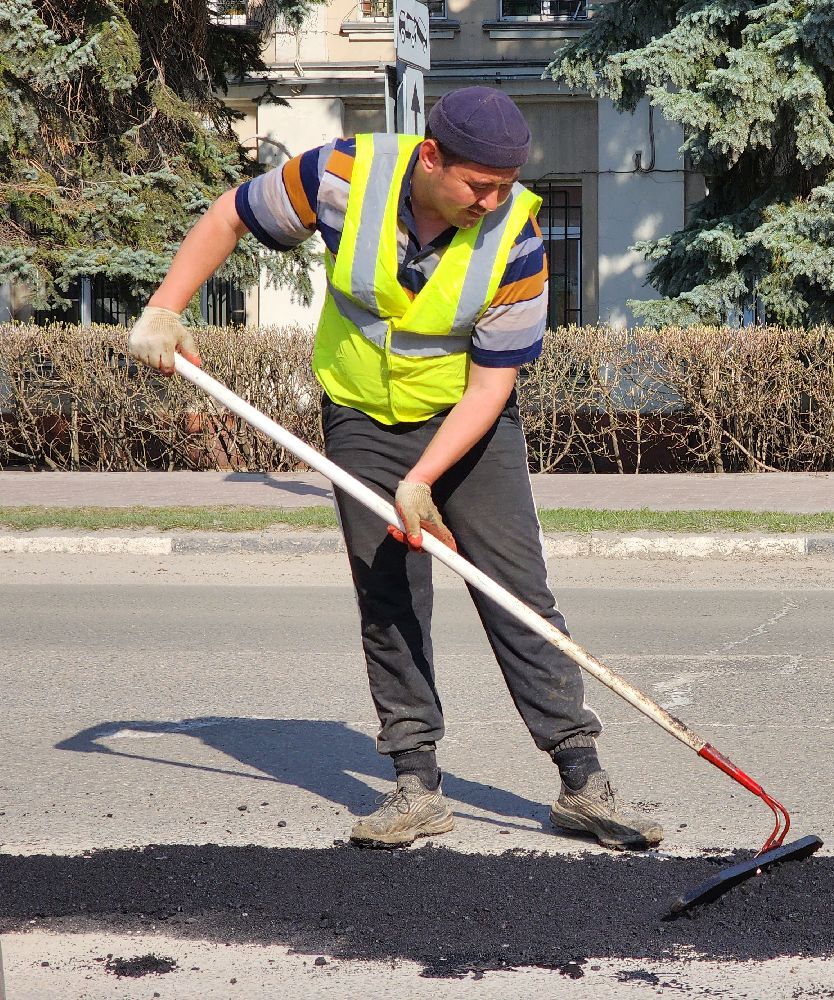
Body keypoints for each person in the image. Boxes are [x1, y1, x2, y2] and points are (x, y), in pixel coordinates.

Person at [127, 87, 663, 852]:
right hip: (359, 414)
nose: (492, 199)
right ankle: (417, 783)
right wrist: (167, 306)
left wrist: (424, 478)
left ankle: (582, 780)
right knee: (387, 592)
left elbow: (491, 387)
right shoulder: (346, 174)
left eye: (505, 184)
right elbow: (232, 214)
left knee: (514, 591)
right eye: (479, 183)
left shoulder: (516, 235)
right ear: (433, 157)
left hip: (466, 424)